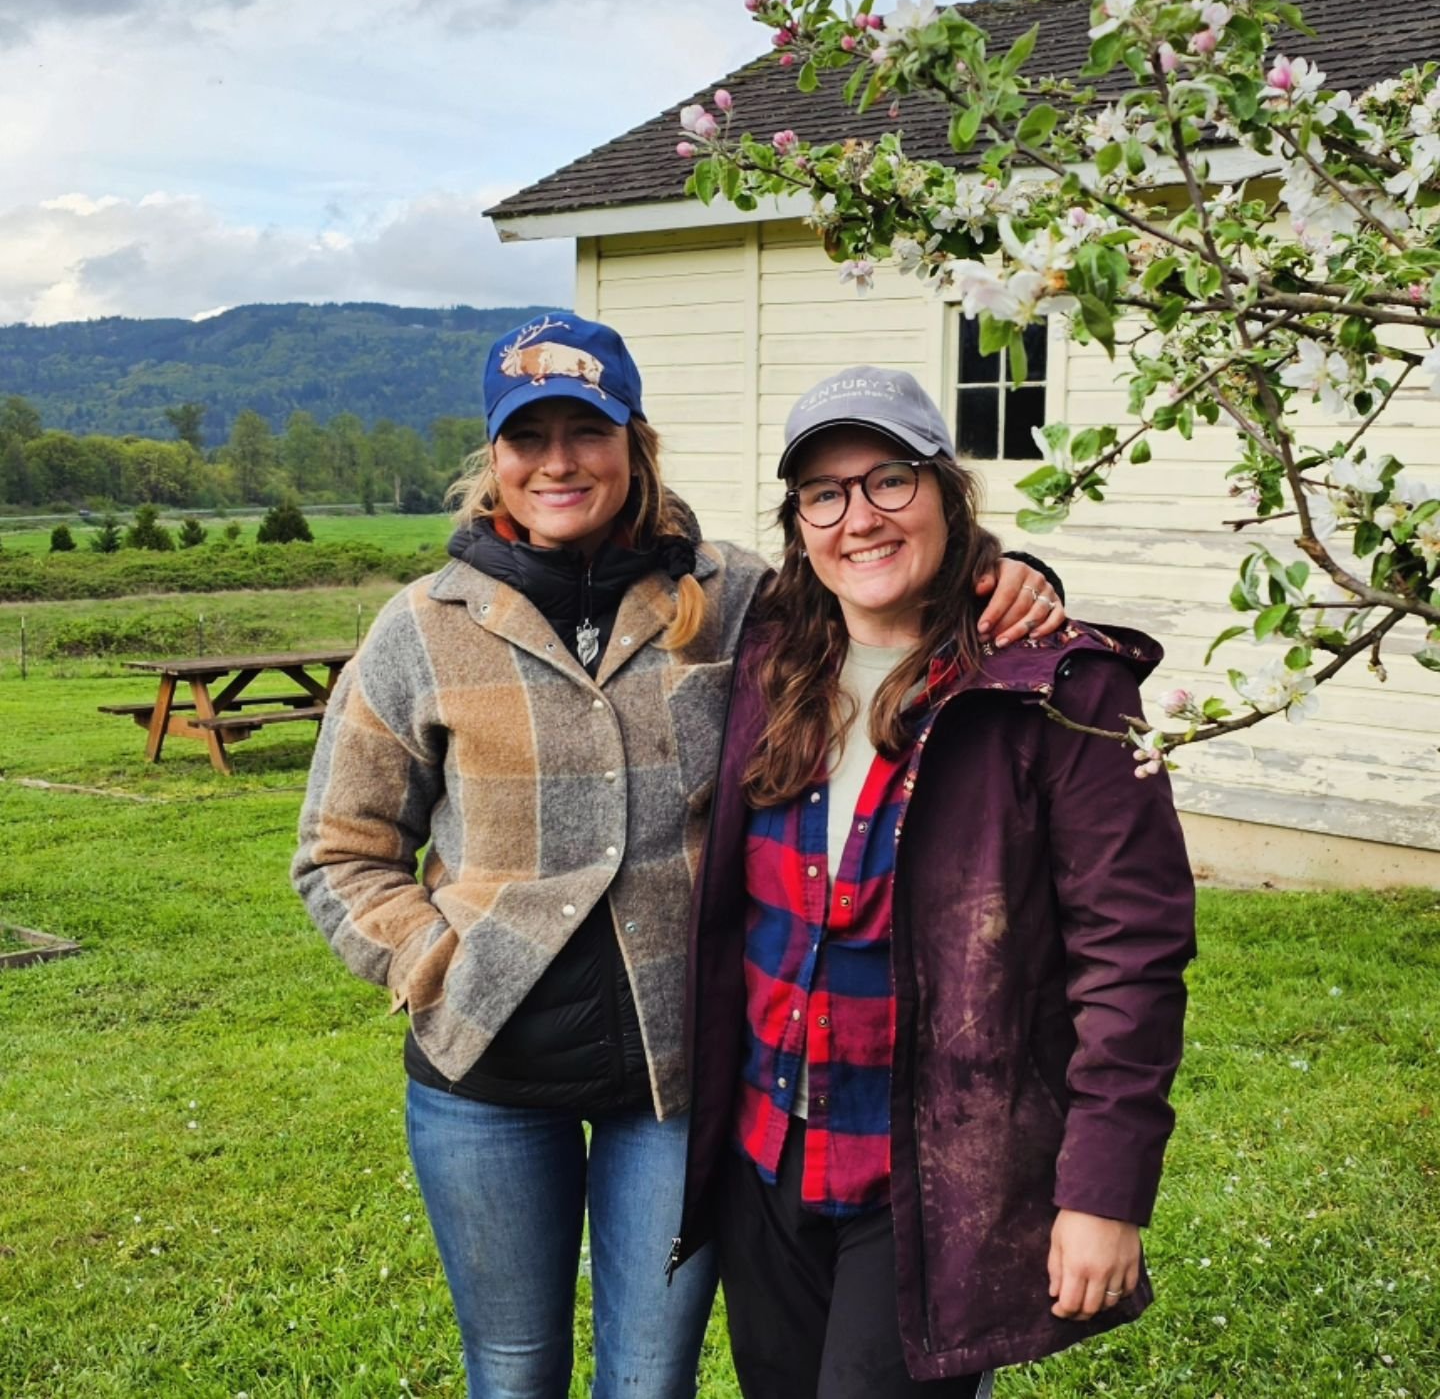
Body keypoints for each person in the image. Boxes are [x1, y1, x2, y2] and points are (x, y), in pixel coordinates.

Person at [292, 318, 1065, 1399]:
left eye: (587, 430)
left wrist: (1007, 570)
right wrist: (435, 963)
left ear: (634, 442)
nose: (559, 460)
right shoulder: (423, 629)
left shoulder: (741, 598)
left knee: (649, 1376)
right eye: (530, 437)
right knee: (512, 1371)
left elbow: (880, 574)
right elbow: (340, 850)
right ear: (495, 460)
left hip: (679, 1076)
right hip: (486, 1079)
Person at [670, 366, 1196, 1399]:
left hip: (926, 1171)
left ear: (949, 493)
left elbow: (1133, 955)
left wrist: (1105, 1192)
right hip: (767, 1157)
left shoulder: (1060, 690)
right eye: (824, 493)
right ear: (798, 523)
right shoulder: (770, 661)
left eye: (889, 481)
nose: (858, 518)